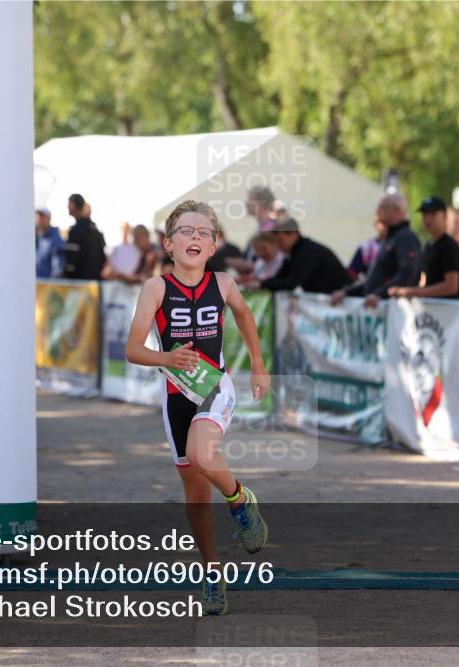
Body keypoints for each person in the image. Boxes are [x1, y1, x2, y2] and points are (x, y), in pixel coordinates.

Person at [125, 200, 270, 616]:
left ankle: (241, 500)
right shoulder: (155, 288)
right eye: (186, 232)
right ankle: (212, 573)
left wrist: (258, 366)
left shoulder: (223, 283)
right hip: (176, 397)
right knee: (194, 492)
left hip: (215, 386)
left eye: (203, 233)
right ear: (168, 244)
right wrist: (165, 359)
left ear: (214, 245)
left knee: (203, 453)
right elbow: (134, 349)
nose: (195, 237)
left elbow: (244, 317)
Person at [331, 194, 420, 308]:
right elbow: (374, 279)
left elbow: (407, 274)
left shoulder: (405, 237)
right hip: (377, 310)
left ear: (398, 210)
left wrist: (380, 294)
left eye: (382, 207)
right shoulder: (390, 239)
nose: (377, 211)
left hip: (393, 313)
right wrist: (346, 292)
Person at [247, 219, 352, 294]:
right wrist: (260, 283)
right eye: (276, 242)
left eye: (280, 241)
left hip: (342, 299)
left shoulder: (307, 251)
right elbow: (281, 276)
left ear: (293, 234)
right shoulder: (292, 252)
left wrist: (261, 285)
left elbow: (291, 283)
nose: (278, 246)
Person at [388, 197, 459, 299]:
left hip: (450, 311)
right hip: (432, 309)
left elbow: (452, 287)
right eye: (424, 215)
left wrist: (415, 292)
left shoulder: (449, 246)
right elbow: (425, 280)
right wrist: (406, 291)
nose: (427, 219)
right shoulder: (429, 245)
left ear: (444, 216)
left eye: (432, 215)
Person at [62, 194, 106, 280]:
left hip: (79, 283)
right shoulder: (95, 231)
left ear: (73, 205)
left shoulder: (76, 231)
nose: (68, 207)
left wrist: (66, 275)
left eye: (69, 204)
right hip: (94, 283)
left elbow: (71, 263)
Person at [34, 207, 64, 279]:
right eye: (38, 216)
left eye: (42, 217)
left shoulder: (55, 238)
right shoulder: (36, 237)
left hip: (46, 284)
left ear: (49, 218)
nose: (39, 219)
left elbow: (58, 265)